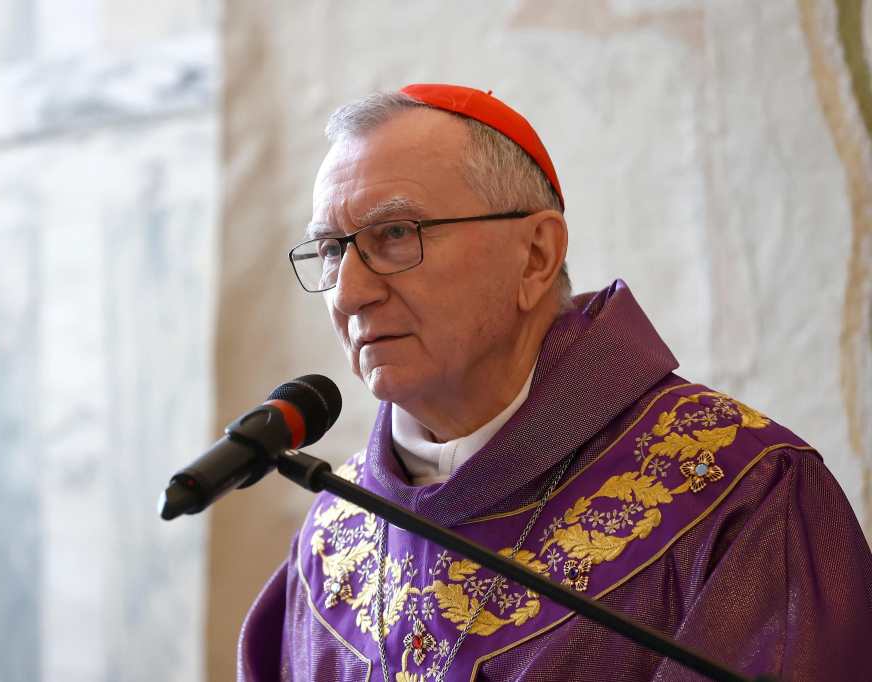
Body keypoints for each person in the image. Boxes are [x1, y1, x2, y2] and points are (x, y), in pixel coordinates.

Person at [237, 83, 872, 681]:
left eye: (397, 234)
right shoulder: (332, 533)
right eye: (330, 250)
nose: (349, 293)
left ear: (536, 256)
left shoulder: (739, 489)